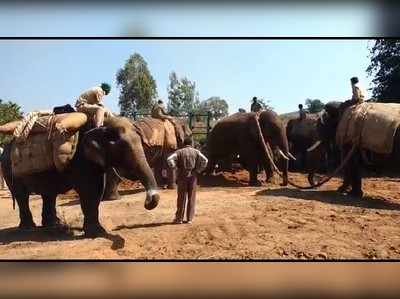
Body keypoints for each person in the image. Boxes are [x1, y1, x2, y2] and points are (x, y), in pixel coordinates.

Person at [167, 136, 208, 224]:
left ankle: (179, 219)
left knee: (181, 197)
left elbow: (169, 159)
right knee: (191, 197)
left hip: (182, 176)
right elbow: (205, 160)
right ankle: (189, 219)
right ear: (191, 143)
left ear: (184, 144)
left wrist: (174, 167)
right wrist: (198, 170)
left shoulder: (179, 152)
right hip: (193, 176)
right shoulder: (196, 152)